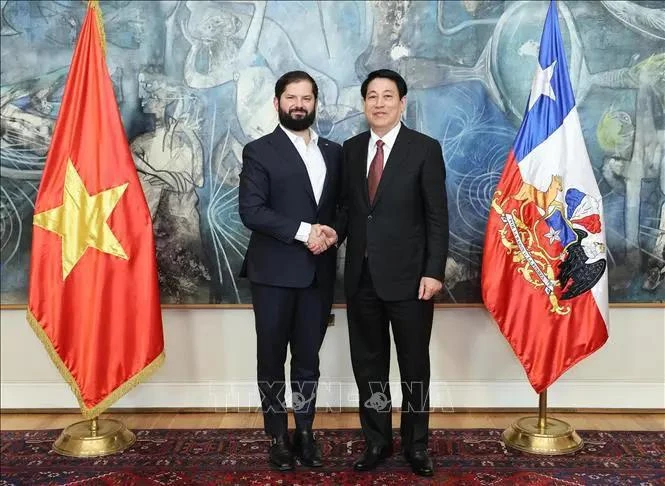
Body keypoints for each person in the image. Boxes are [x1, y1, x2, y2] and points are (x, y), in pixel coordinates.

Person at [322, 69, 448, 476]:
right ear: (364, 104)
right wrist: (331, 234)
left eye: (387, 96)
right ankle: (376, 441)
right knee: (369, 367)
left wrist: (433, 271)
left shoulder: (424, 149)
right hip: (362, 279)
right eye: (372, 96)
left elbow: (437, 218)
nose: (379, 103)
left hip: (412, 280)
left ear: (402, 103)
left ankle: (416, 446)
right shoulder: (352, 149)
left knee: (414, 367)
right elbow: (347, 209)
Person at [238, 71, 342, 471]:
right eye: (291, 97)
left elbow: (344, 208)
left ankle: (306, 433)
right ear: (277, 102)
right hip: (273, 273)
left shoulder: (334, 151)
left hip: (319, 271)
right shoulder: (259, 151)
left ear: (316, 103)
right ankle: (277, 436)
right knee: (271, 358)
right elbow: (252, 211)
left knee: (308, 359)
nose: (299, 104)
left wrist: (331, 233)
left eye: (306, 98)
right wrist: (305, 232)